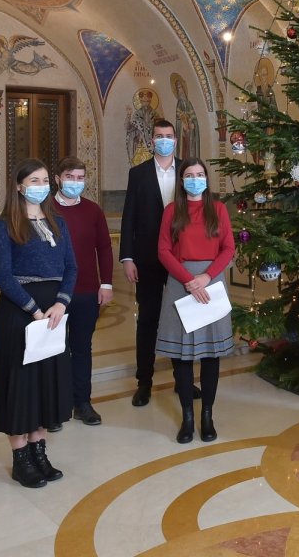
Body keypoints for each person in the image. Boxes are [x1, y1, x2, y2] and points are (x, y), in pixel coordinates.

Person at [0, 158, 75, 488]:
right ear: (20, 186)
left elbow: (72, 268)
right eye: (33, 180)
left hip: (54, 313)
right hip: (20, 312)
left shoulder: (58, 223)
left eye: (44, 180)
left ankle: (40, 451)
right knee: (21, 384)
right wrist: (35, 311)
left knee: (46, 382)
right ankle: (21, 457)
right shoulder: (4, 225)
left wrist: (60, 304)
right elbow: (3, 276)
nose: (41, 186)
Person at [155, 158, 235, 443]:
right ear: (181, 181)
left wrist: (206, 276)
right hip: (180, 283)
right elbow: (163, 250)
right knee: (182, 356)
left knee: (211, 355)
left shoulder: (220, 210)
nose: (195, 179)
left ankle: (207, 415)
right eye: (189, 175)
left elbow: (228, 248)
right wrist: (187, 280)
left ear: (206, 179)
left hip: (211, 283)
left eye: (200, 174)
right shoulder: (171, 212)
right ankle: (188, 416)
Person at [120, 119, 178, 407]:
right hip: (147, 257)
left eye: (168, 136)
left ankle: (183, 380)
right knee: (148, 320)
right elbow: (128, 216)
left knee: (184, 318)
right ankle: (144, 381)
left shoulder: (188, 171)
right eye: (159, 136)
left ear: (175, 140)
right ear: (151, 141)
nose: (164, 140)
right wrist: (128, 257)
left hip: (182, 258)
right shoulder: (138, 174)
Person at [54, 157, 113, 426]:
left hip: (87, 290)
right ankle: (54, 406)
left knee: (81, 349)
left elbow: (104, 248)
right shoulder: (44, 209)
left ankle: (83, 402)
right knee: (53, 350)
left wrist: (107, 283)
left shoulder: (93, 210)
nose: (75, 182)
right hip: (53, 294)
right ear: (57, 179)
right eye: (69, 177)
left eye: (80, 177)